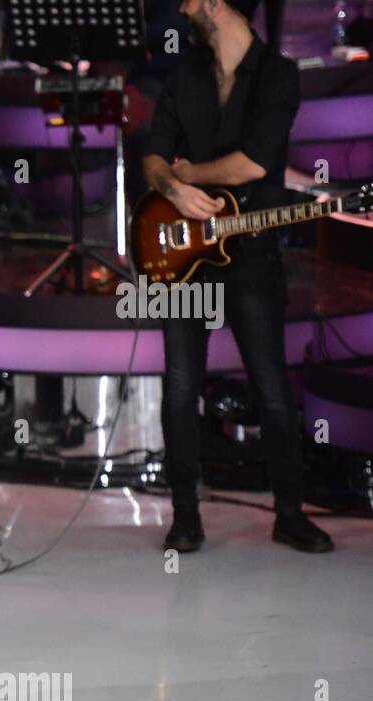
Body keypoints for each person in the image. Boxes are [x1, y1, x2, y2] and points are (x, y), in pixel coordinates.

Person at [142, 0, 332, 554]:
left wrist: (188, 173)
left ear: (219, 5)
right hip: (183, 252)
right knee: (180, 386)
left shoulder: (278, 76)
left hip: (250, 250)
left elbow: (254, 162)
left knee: (271, 385)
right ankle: (184, 516)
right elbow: (154, 152)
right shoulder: (184, 74)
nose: (183, 7)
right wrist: (172, 189)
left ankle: (290, 513)